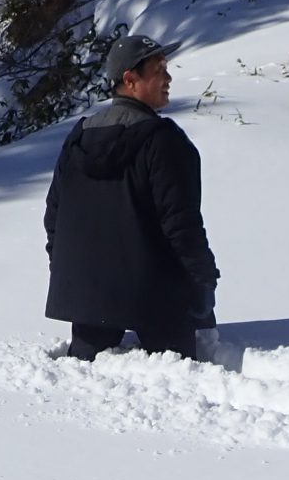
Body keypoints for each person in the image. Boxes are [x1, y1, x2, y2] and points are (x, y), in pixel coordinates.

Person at [44, 33, 220, 362]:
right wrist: (203, 282)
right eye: (159, 70)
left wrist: (69, 272)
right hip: (156, 298)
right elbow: (181, 224)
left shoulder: (79, 136)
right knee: (176, 379)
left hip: (86, 299)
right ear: (130, 79)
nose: (168, 78)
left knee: (82, 385)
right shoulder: (163, 141)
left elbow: (54, 216)